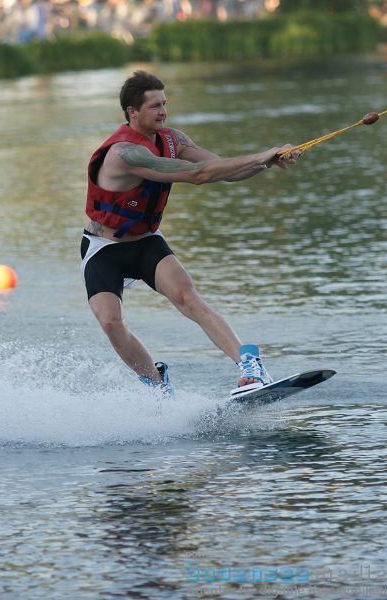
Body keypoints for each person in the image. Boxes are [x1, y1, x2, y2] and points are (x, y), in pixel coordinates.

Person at [81, 70, 299, 397]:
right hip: (103, 248)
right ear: (132, 112)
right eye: (154, 106)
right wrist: (259, 155)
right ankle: (155, 385)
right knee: (111, 321)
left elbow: (222, 169)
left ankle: (250, 366)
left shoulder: (173, 140)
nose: (163, 111)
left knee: (188, 298)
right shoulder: (125, 154)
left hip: (145, 243)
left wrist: (268, 160)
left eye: (164, 103)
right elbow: (197, 175)